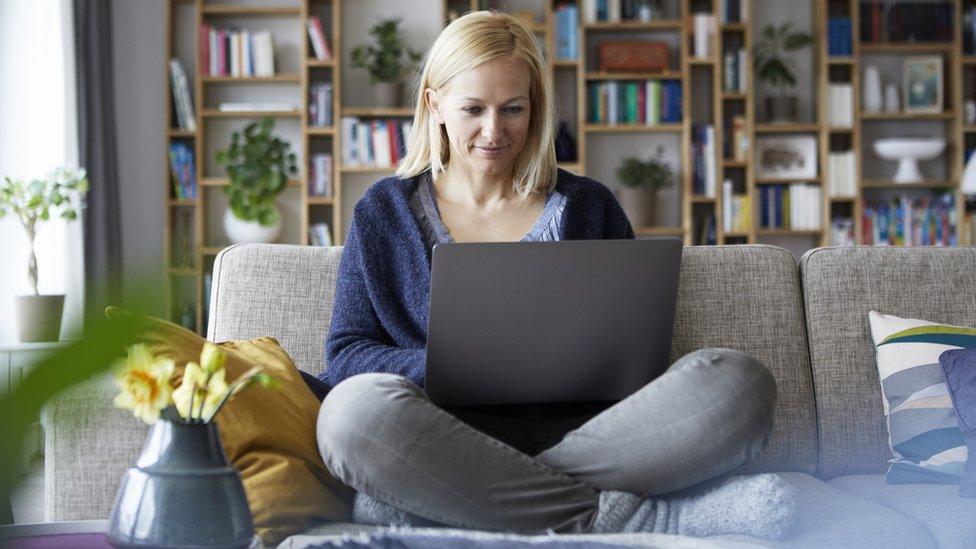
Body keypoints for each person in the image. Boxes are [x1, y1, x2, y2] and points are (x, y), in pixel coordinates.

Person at [317, 11, 795, 539]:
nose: (494, 131)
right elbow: (346, 354)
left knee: (741, 385)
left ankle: (467, 498)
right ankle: (634, 517)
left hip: (596, 438)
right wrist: (455, 365)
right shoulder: (384, 212)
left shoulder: (590, 206)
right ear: (435, 104)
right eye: (473, 109)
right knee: (350, 418)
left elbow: (633, 353)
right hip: (446, 436)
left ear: (535, 107)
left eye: (513, 109)